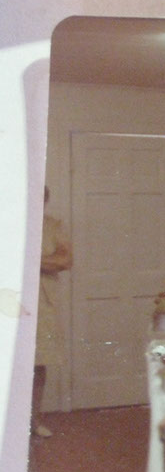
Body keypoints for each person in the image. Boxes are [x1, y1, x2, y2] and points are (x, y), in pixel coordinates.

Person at [34, 185, 73, 438]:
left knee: (38, 363)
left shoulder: (52, 226)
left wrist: (29, 260)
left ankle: (33, 421)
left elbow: (65, 260)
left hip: (41, 302)